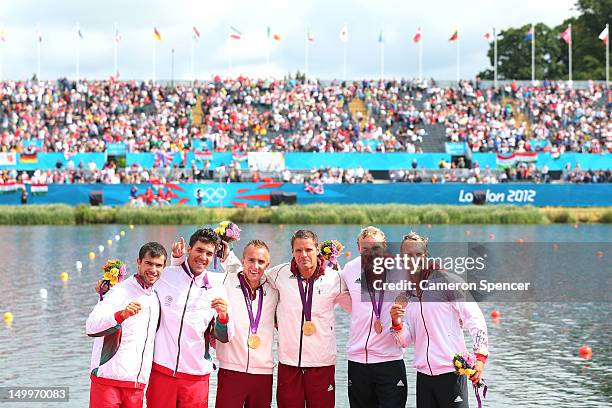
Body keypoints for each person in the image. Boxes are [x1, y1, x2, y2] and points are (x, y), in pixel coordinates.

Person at [390, 232, 489, 408]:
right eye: (408, 255)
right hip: (424, 378)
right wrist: (397, 323)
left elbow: (475, 319)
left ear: (425, 256)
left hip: (451, 374)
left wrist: (479, 359)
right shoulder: (406, 292)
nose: (413, 260)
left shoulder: (446, 281)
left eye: (418, 255)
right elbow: (406, 341)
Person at [146, 228, 234, 408]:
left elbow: (225, 337)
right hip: (162, 372)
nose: (203, 257)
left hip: (196, 377)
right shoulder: (166, 276)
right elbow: (137, 286)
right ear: (189, 249)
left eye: (209, 253)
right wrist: (107, 289)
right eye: (199, 250)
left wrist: (224, 318)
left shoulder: (217, 287)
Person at [269, 230, 351, 408]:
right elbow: (252, 277)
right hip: (289, 363)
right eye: (298, 250)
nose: (303, 255)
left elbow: (358, 308)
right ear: (292, 252)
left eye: (308, 250)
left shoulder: (334, 278)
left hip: (321, 364)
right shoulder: (278, 274)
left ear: (317, 250)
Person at [86, 242, 167, 408]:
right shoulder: (118, 291)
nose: (153, 269)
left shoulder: (155, 298)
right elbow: (91, 326)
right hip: (108, 382)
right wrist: (120, 315)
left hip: (136, 385)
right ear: (138, 262)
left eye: (158, 265)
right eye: (149, 263)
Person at [341, 226, 407, 407]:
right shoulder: (349, 269)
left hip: (390, 360)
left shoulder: (400, 269)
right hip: (358, 362)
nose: (371, 254)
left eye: (376, 248)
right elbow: (329, 290)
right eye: (366, 249)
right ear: (358, 249)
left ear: (385, 247)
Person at [211, 240, 279, 407]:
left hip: (263, 374)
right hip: (231, 370)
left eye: (261, 262)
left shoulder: (274, 289)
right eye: (251, 260)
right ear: (243, 261)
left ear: (267, 265)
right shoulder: (225, 281)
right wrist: (177, 261)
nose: (255, 266)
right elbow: (196, 276)